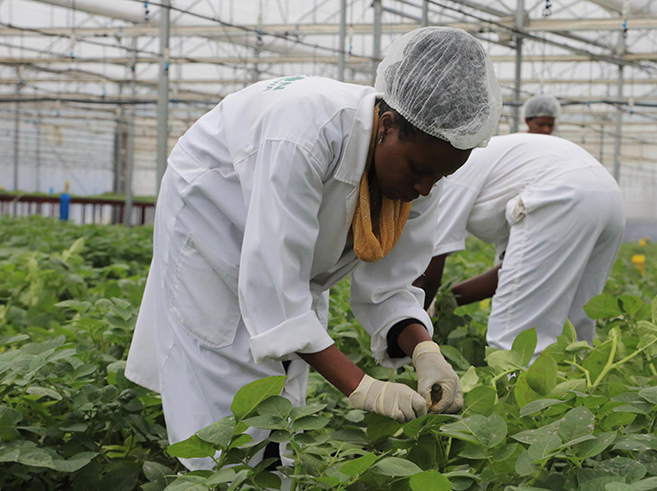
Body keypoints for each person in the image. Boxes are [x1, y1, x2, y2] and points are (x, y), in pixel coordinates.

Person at [124, 27, 502, 470]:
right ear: (386, 126)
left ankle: (271, 468)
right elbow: (275, 291)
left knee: (284, 396)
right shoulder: (304, 133)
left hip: (281, 245)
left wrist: (425, 352)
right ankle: (216, 474)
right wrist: (362, 386)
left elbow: (390, 286)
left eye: (439, 176)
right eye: (420, 170)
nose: (424, 187)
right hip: (214, 218)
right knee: (227, 391)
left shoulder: (421, 169)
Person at [415, 133, 625, 358]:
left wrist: (412, 330)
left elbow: (428, 273)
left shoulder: (446, 176)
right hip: (607, 195)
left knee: (513, 345)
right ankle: (578, 387)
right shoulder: (500, 171)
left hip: (561, 193)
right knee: (573, 334)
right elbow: (510, 273)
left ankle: (518, 390)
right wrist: (448, 301)